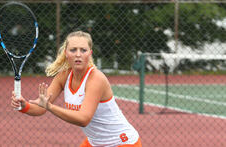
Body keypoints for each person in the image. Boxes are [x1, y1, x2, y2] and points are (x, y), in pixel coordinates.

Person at [11, 31, 142, 147]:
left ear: (90, 53)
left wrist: (50, 107)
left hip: (123, 142)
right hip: (95, 142)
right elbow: (40, 108)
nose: (78, 54)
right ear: (66, 53)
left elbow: (83, 119)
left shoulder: (96, 79)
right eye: (73, 50)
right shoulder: (63, 76)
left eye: (83, 50)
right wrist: (24, 106)